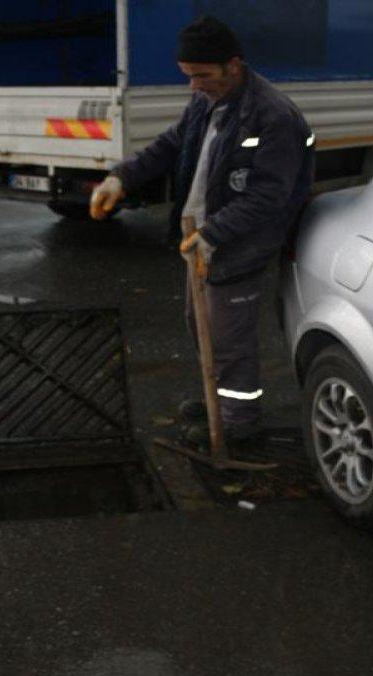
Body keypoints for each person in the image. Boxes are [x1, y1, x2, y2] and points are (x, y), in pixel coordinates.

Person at [89, 16, 314, 447]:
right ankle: (218, 400)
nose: (194, 86)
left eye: (202, 76)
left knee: (229, 340)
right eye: (188, 76)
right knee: (201, 328)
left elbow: (269, 196)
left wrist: (214, 233)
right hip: (201, 241)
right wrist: (120, 179)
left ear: (233, 65)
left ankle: (239, 424)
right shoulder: (208, 101)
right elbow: (170, 145)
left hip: (237, 245)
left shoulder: (273, 116)